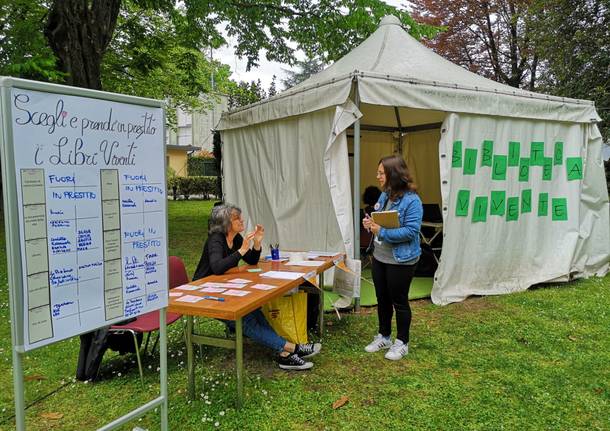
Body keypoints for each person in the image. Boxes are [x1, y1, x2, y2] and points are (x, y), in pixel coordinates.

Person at [193, 204, 321, 370]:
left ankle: (285, 352)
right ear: (226, 223)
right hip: (204, 292)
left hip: (224, 286)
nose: (242, 220)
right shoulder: (216, 239)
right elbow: (217, 267)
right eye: (237, 218)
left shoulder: (236, 237)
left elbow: (252, 260)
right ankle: (292, 348)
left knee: (253, 310)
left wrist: (257, 243)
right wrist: (241, 251)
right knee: (244, 320)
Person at [362, 155, 423, 360]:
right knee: (382, 299)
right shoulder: (385, 195)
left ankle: (402, 342)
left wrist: (381, 231)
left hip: (401, 260)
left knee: (399, 301)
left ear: (393, 174)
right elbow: (379, 217)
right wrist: (370, 223)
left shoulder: (412, 200)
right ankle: (384, 336)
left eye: (381, 173)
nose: (378, 176)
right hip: (380, 257)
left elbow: (411, 232)